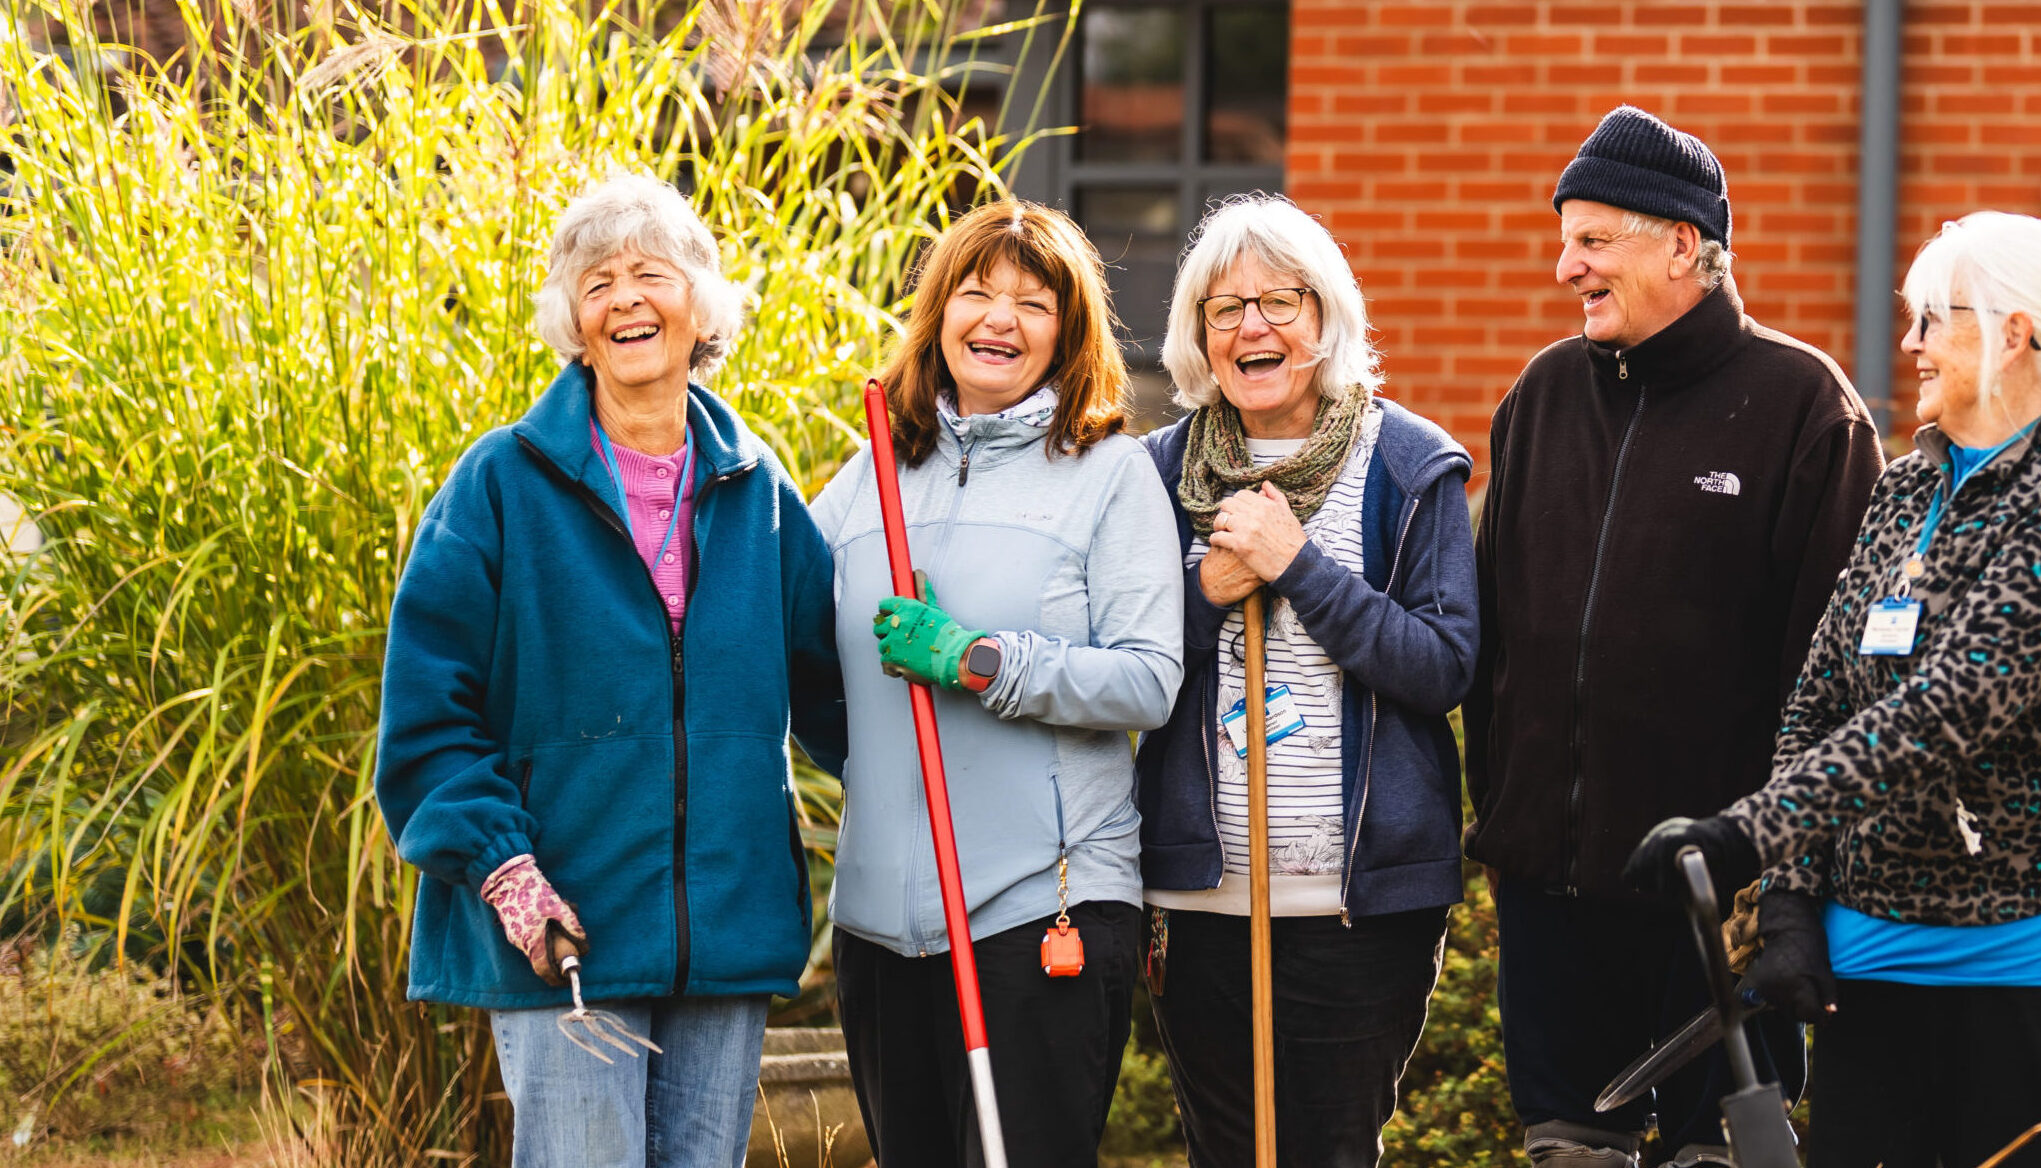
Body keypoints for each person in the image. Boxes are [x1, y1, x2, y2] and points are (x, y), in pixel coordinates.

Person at [1626, 210, 2041, 1168]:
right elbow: (1819, 699)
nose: (1908, 342)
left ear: (2012, 333)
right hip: (1874, 946)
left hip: (2035, 953)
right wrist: (1790, 899)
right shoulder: (1906, 487)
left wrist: (1747, 833)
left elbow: (1949, 708)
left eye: (1931, 318)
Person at [374, 173, 848, 1166]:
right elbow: (426, 715)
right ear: (573, 322)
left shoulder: (758, 489)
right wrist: (507, 873)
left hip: (721, 922)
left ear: (699, 306)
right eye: (598, 283)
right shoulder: (499, 483)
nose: (627, 298)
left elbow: (838, 690)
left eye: (651, 274)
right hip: (562, 925)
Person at [1461, 105, 1884, 1167]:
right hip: (1551, 894)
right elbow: (1495, 634)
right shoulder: (1540, 397)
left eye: (1593, 240)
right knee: (1566, 1149)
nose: (1567, 267)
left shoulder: (1805, 410)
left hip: (1719, 898)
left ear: (1682, 243)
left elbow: (1840, 686)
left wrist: (1787, 883)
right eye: (1565, 240)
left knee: (1720, 1158)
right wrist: (1503, 816)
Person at [806, 198, 1184, 1168]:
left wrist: (979, 658)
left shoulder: (1108, 472)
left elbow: (1148, 681)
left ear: (1069, 331)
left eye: (1032, 301)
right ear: (937, 312)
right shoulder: (867, 479)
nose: (998, 319)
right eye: (975, 292)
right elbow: (804, 662)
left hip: (1036, 910)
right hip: (882, 919)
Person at [1135, 194, 1478, 1168]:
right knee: (1228, 1154)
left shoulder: (1408, 467)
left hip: (1354, 904)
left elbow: (1443, 665)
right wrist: (1207, 590)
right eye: (1223, 307)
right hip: (1201, 904)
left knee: (1329, 1149)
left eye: (1280, 300)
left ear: (1325, 317)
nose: (1252, 325)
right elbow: (1123, 668)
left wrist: (1302, 568)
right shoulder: (1157, 474)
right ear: (1198, 333)